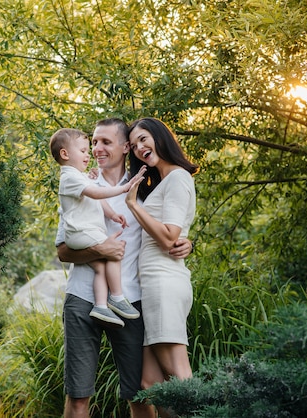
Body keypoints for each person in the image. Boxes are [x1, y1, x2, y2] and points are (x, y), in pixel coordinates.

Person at [55, 118, 192, 418]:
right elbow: (63, 251)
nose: (97, 148)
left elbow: (167, 227)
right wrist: (98, 249)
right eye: (93, 142)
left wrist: (187, 243)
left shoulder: (144, 187)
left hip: (132, 302)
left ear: (125, 146)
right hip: (82, 299)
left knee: (141, 394)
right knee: (78, 398)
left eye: (105, 142)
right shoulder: (80, 183)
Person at [125, 117, 198, 417]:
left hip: (164, 283)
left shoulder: (178, 177)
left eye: (144, 139)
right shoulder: (162, 183)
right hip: (153, 286)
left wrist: (134, 205)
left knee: (179, 375)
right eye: (133, 145)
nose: (140, 148)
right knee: (151, 382)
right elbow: (175, 234)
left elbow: (169, 237)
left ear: (159, 136)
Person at [50, 128, 146, 327]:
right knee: (112, 253)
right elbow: (96, 194)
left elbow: (97, 199)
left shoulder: (84, 178)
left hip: (134, 292)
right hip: (80, 284)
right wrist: (124, 189)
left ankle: (102, 305)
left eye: (106, 142)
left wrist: (112, 215)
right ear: (65, 154)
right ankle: (116, 297)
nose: (92, 152)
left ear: (125, 147)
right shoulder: (72, 178)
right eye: (89, 146)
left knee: (102, 266)